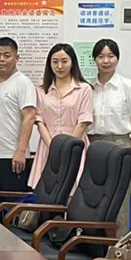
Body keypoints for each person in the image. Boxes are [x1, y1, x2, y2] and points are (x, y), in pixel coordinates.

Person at [88, 39, 131, 235]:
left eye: (111, 56)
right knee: (94, 196)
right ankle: (94, 245)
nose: (106, 61)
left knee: (119, 199)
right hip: (94, 145)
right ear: (94, 60)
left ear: (117, 59)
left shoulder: (128, 86)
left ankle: (118, 245)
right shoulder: (88, 87)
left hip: (120, 143)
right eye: (101, 56)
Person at [28, 43, 93, 190]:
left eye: (64, 61)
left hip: (76, 147)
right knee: (48, 192)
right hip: (48, 146)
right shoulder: (41, 91)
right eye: (55, 62)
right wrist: (54, 148)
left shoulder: (84, 89)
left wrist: (68, 149)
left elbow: (83, 122)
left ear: (72, 63)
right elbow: (40, 122)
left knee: (74, 191)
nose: (60, 66)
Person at [0, 37, 36, 207]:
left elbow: (29, 117)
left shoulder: (23, 82)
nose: (1, 59)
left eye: (7, 55)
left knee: (12, 207)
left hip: (12, 156)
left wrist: (21, 151)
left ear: (17, 58)